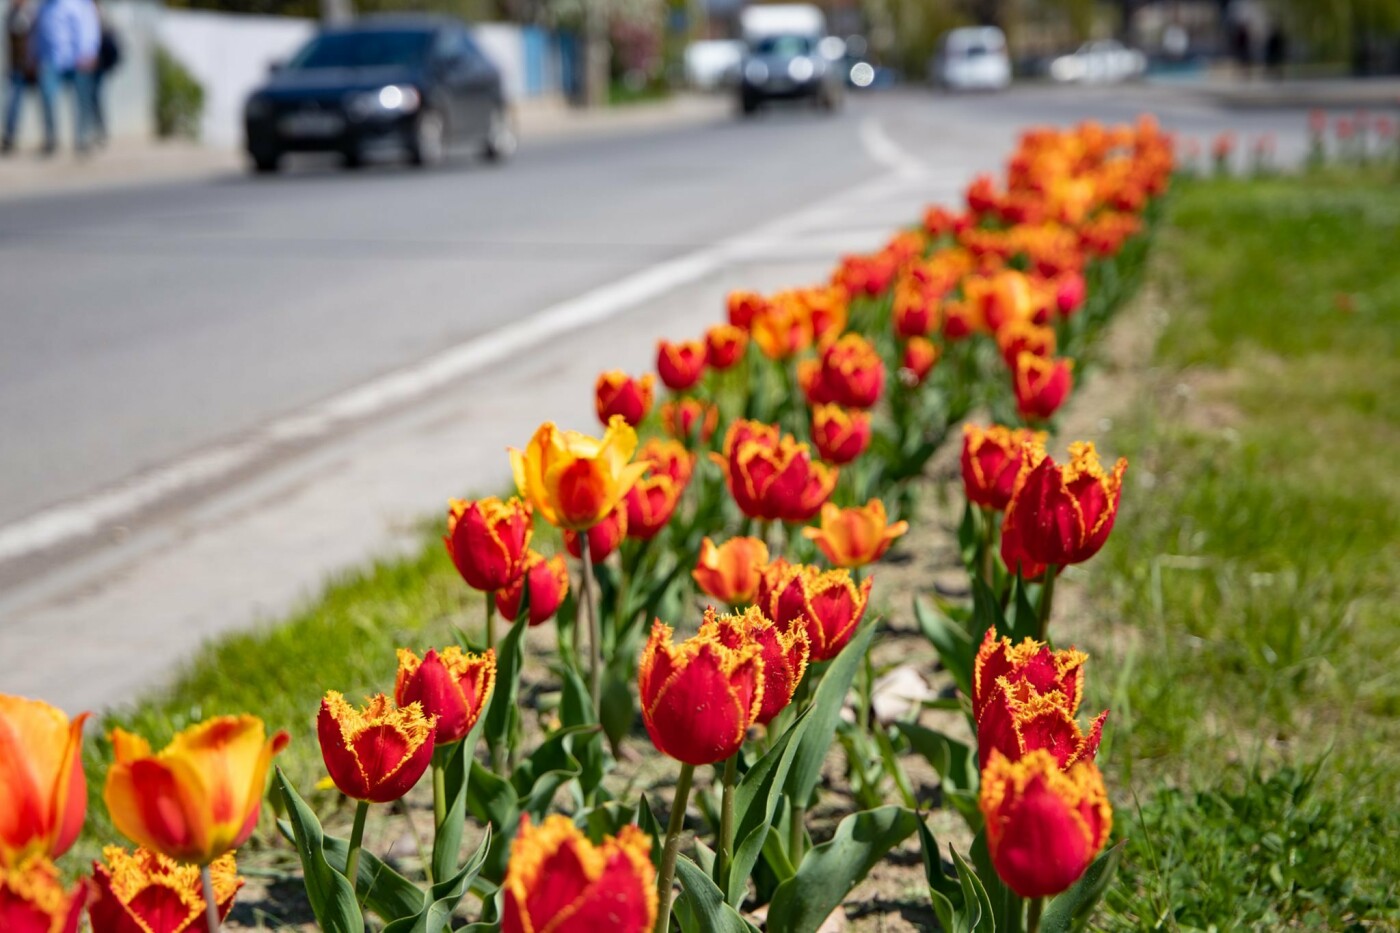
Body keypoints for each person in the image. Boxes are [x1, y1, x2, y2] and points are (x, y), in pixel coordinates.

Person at [28, 0, 101, 154]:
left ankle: (82, 139)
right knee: (47, 98)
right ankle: (51, 139)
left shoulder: (80, 4)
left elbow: (89, 28)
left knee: (82, 102)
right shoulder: (44, 7)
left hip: (78, 60)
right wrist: (33, 56)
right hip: (51, 61)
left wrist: (89, 53)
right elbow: (37, 34)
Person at [2, 0, 37, 154]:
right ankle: (10, 137)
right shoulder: (12, 16)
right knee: (13, 104)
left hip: (34, 66)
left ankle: (51, 138)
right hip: (17, 69)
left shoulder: (32, 14)